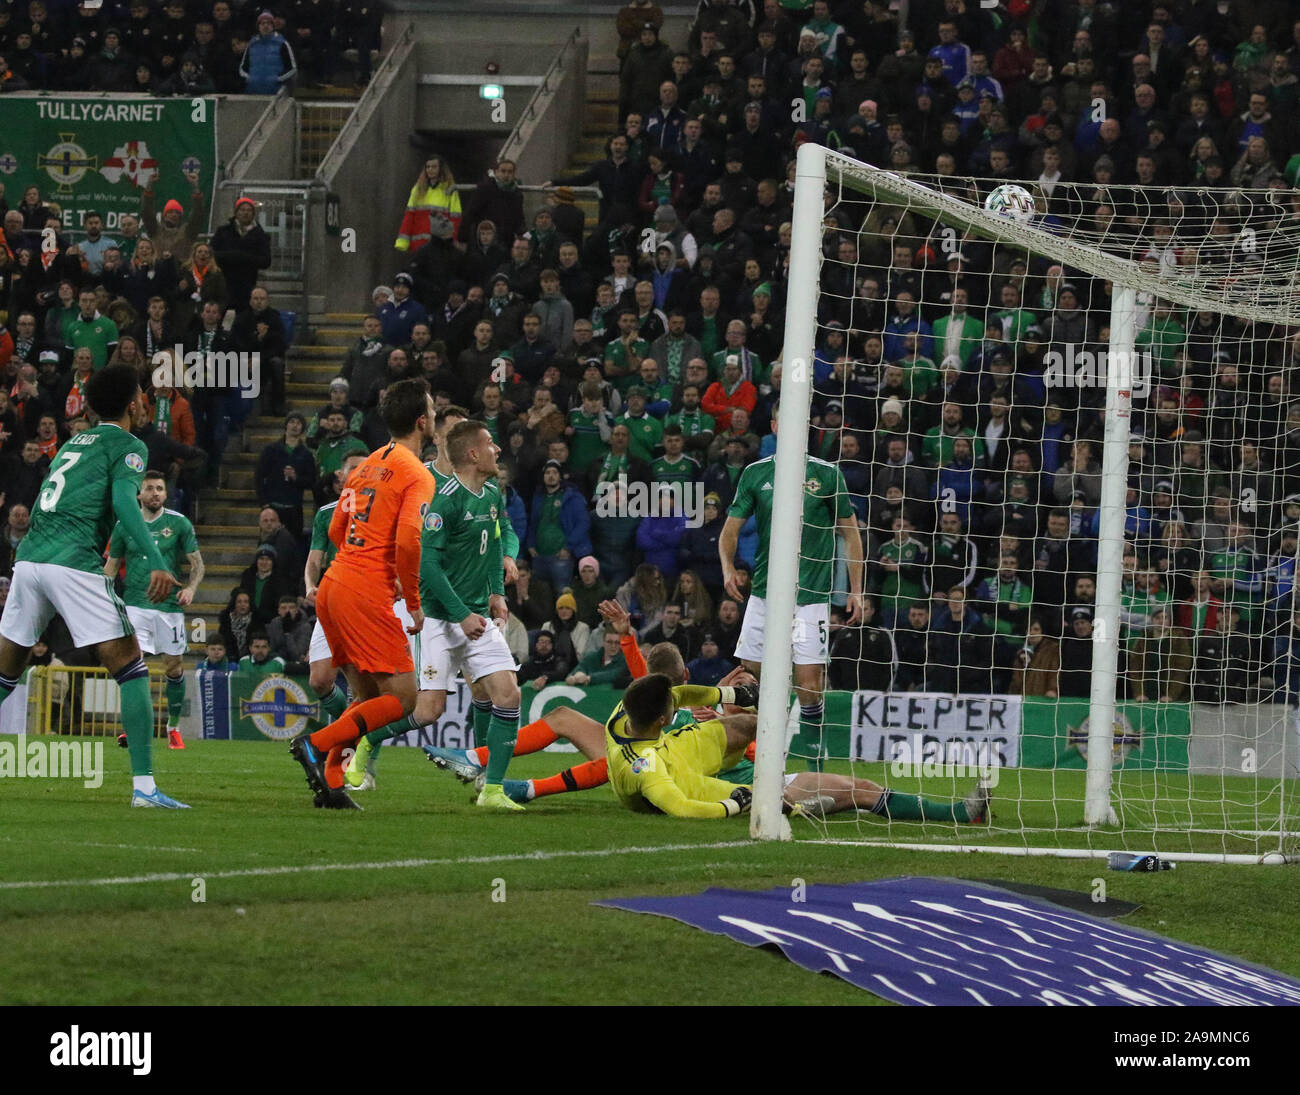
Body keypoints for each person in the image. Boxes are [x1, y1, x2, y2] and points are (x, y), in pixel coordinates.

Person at [0, 364, 188, 808]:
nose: (144, 402)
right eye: (141, 396)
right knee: (132, 668)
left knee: (6, 673)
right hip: (74, 561)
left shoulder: (74, 441)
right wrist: (158, 559)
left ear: (87, 405)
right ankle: (145, 789)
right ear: (133, 405)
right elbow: (127, 500)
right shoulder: (128, 444)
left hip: (29, 560)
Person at [343, 406, 519, 791]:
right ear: (442, 439)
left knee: (501, 693)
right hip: (430, 610)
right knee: (424, 709)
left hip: (473, 610)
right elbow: (417, 553)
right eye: (485, 442)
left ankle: (487, 779)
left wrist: (497, 590)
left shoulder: (489, 492)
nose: (495, 449)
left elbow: (496, 535)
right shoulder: (423, 482)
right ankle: (367, 748)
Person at [288, 379, 436, 809]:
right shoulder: (416, 473)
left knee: (366, 697)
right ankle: (316, 745)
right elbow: (410, 540)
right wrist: (411, 600)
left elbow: (336, 529)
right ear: (422, 421)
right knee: (403, 699)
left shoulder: (366, 465)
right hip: (365, 591)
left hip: (335, 584)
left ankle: (332, 783)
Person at [719, 402, 864, 766]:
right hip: (765, 595)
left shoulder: (827, 474)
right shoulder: (755, 474)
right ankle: (754, 760)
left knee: (809, 685)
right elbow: (729, 531)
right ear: (774, 426)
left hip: (811, 597)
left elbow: (851, 534)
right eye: (786, 421)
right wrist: (727, 568)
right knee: (751, 680)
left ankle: (816, 761)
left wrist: (857, 590)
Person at [104, 469, 204, 751]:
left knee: (173, 668)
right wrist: (106, 598)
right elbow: (110, 568)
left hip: (169, 607)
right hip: (135, 605)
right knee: (133, 665)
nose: (156, 493)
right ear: (139, 493)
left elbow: (197, 563)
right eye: (150, 488)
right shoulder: (125, 525)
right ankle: (133, 728)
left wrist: (191, 589)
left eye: (160, 488)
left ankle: (173, 726)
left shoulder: (179, 523)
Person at [302, 450, 365, 738]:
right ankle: (351, 729)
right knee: (319, 680)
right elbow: (315, 558)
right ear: (341, 476)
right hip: (333, 600)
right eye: (354, 468)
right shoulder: (327, 513)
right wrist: (309, 585)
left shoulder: (382, 510)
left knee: (363, 686)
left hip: (368, 604)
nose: (361, 473)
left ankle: (355, 750)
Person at [210, 196, 272, 313]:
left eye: (249, 210)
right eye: (242, 210)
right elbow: (212, 254)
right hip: (224, 284)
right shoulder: (223, 231)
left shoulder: (260, 235)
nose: (245, 213)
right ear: (236, 212)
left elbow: (266, 261)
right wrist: (231, 256)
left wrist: (245, 258)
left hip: (247, 285)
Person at [395, 155, 462, 253]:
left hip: (440, 247)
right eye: (428, 167)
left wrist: (452, 242)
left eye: (434, 167)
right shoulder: (418, 190)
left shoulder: (449, 190)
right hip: (419, 246)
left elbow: (455, 219)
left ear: (441, 169)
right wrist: (403, 242)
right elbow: (409, 217)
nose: (430, 170)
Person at [239, 9, 297, 93]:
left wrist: (277, 79)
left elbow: (292, 68)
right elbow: (242, 68)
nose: (265, 26)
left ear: (273, 26)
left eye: (269, 23)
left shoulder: (282, 43)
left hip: (275, 91)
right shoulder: (252, 44)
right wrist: (251, 78)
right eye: (262, 23)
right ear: (258, 26)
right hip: (253, 90)